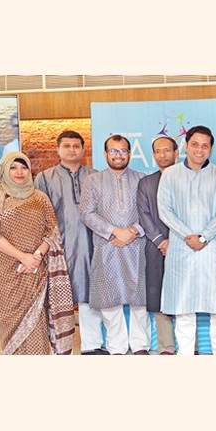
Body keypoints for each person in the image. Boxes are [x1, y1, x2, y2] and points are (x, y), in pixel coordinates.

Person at [0, 152, 75, 354]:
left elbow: (52, 231)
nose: (19, 172)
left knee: (37, 325)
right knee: (11, 324)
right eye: (13, 167)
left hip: (36, 270)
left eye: (23, 167)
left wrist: (36, 256)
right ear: (4, 170)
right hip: (7, 273)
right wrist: (21, 256)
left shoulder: (39, 197)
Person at [157, 126, 216, 355]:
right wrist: (189, 236)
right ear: (186, 146)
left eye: (205, 145)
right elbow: (165, 210)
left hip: (213, 247)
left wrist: (203, 236)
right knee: (183, 310)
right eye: (195, 144)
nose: (200, 150)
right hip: (182, 247)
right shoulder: (170, 174)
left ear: (211, 148)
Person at [34, 130, 105, 355]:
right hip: (57, 248)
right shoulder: (44, 178)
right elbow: (39, 216)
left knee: (90, 295)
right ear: (58, 149)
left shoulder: (95, 176)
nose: (72, 150)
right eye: (67, 146)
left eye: (76, 146)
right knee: (58, 298)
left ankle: (92, 345)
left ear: (83, 150)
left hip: (92, 245)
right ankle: (61, 348)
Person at [80, 135, 149, 355]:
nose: (118, 156)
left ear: (129, 153)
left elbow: (150, 212)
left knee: (139, 299)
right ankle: (116, 346)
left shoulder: (142, 179)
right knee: (111, 299)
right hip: (106, 246)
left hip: (137, 245)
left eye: (122, 151)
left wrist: (133, 231)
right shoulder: (92, 180)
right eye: (113, 151)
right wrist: (114, 232)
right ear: (105, 153)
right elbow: (87, 213)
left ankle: (140, 345)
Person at [137, 136, 179, 354]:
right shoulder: (146, 183)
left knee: (185, 295)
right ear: (153, 155)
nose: (162, 155)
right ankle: (166, 347)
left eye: (167, 150)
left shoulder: (186, 179)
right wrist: (161, 241)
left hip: (184, 245)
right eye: (158, 151)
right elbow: (143, 215)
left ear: (176, 152)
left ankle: (191, 346)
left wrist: (176, 239)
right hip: (156, 247)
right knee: (160, 296)